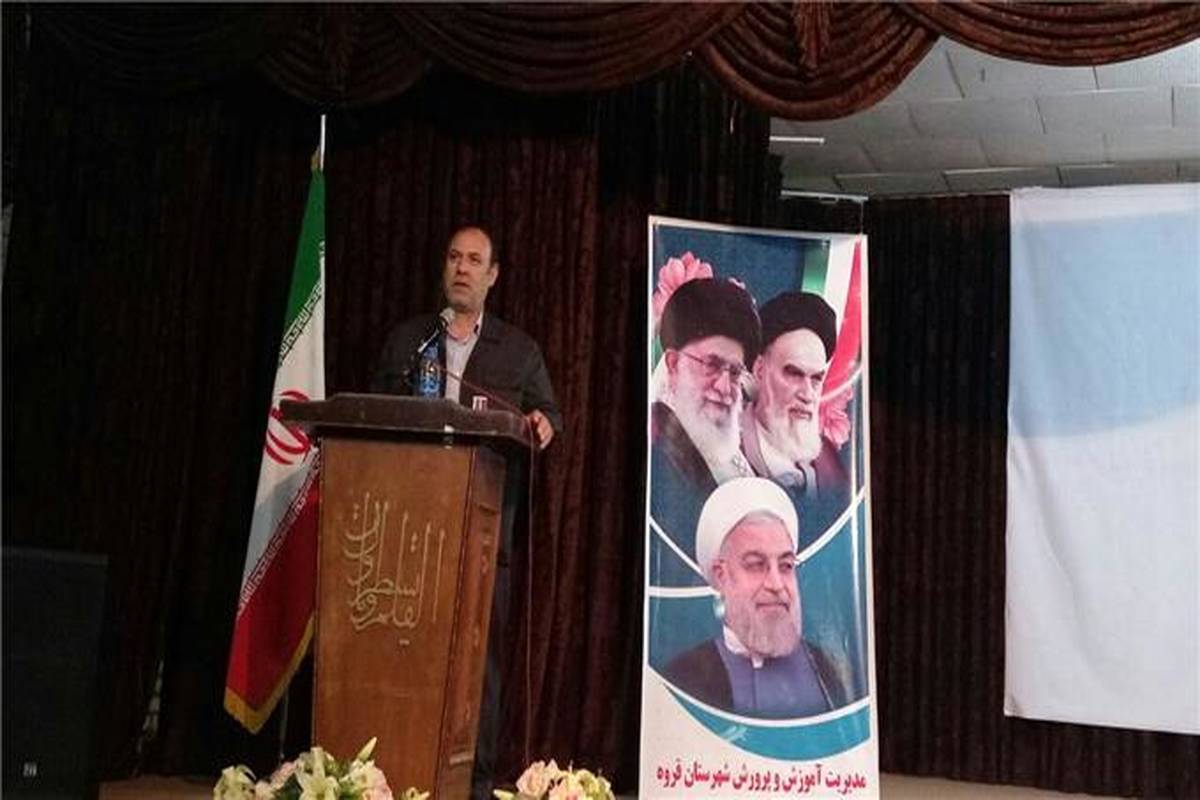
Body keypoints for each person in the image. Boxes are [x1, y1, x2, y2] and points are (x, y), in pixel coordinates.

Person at [370, 225, 561, 800]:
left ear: (492, 275)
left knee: (479, 666)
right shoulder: (407, 342)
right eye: (454, 257)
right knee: (405, 656)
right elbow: (376, 417)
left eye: (474, 260)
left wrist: (544, 425)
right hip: (408, 529)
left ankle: (474, 783)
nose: (462, 268)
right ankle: (395, 772)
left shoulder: (518, 351)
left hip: (483, 535)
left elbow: (549, 415)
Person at [661, 477, 848, 718]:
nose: (776, 585)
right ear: (720, 576)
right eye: (756, 565)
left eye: (786, 566)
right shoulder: (684, 677)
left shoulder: (826, 667)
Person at [650, 278, 760, 583]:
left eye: (735, 372)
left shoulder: (740, 461)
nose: (724, 387)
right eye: (711, 365)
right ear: (673, 365)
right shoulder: (655, 446)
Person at [740, 291, 849, 548]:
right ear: (759, 370)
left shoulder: (828, 461)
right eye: (794, 374)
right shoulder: (726, 450)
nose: (807, 395)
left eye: (816, 379)